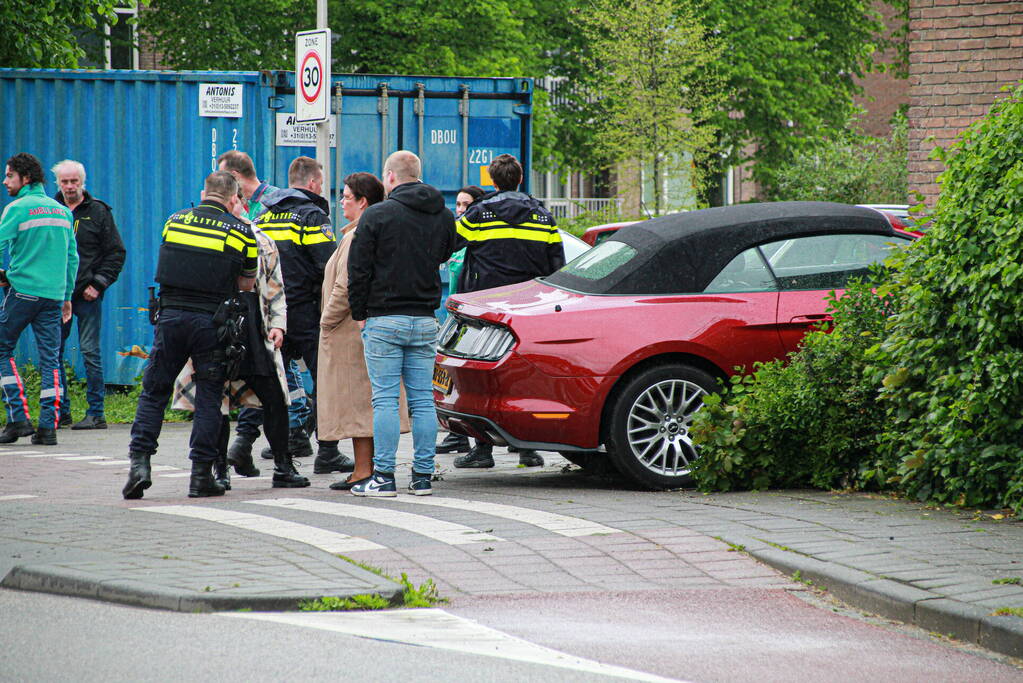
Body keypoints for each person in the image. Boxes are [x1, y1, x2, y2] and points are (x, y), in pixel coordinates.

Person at [122, 170, 257, 500]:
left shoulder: (174, 221)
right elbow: (247, 284)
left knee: (154, 391)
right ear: (232, 198)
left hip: (169, 318)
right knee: (210, 396)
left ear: (203, 192)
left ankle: (139, 465)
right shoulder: (241, 231)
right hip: (211, 323)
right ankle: (200, 476)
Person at [171, 185, 309, 490]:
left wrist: (279, 325)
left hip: (253, 326)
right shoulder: (206, 233)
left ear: (239, 201)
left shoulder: (261, 239)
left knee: (273, 396)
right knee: (214, 398)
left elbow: (275, 288)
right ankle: (219, 469)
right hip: (216, 325)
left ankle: (283, 467)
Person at [347, 151, 457, 496]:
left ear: (390, 177)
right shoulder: (443, 215)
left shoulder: (377, 215)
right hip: (425, 319)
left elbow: (358, 269)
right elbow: (444, 253)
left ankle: (383, 477)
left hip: (383, 318)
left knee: (385, 401)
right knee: (423, 400)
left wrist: (359, 313)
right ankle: (422, 476)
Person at [452, 154, 565, 469]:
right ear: (520, 178)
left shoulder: (478, 215)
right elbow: (558, 265)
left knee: (481, 376)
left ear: (492, 180)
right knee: (525, 374)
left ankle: (483, 450)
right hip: (531, 310)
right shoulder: (543, 217)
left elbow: (449, 243)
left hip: (485, 308)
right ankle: (528, 449)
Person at [217, 151, 314, 472]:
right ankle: (286, 440)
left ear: (235, 176)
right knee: (272, 378)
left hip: (278, 303)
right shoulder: (262, 203)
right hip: (263, 308)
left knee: (277, 377)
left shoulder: (268, 204)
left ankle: (273, 439)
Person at [254, 156, 351, 475]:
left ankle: (290, 439)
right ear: (311, 183)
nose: (322, 189)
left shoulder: (265, 217)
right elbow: (328, 266)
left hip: (274, 314)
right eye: (321, 183)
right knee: (325, 379)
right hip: (307, 313)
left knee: (277, 380)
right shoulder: (312, 215)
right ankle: (327, 451)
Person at [319, 172, 410, 491]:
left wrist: (326, 321)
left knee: (359, 402)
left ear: (363, 201)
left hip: (349, 331)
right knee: (367, 400)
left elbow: (344, 285)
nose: (341, 201)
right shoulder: (377, 230)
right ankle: (365, 467)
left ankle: (363, 470)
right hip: (365, 326)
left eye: (346, 196)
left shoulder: (356, 235)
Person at [0, 153, 79, 446]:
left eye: (9, 175)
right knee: (51, 359)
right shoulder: (62, 211)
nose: (5, 181)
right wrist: (67, 295)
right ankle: (48, 428)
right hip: (54, 296)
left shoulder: (17, 208)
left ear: (26, 178)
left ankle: (18, 417)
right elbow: (72, 257)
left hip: (22, 293)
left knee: (2, 348)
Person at [52, 159, 126, 431]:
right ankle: (60, 411)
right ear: (57, 183)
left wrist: (98, 284)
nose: (70, 187)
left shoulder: (98, 212)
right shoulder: (51, 210)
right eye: (65, 182)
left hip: (87, 296)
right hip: (57, 296)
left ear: (83, 182)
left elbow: (116, 253)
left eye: (75, 182)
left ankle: (96, 413)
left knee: (90, 352)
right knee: (53, 353)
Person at [435, 184, 484, 456]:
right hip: (453, 315)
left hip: (470, 318)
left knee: (463, 378)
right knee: (448, 377)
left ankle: (468, 437)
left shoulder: (473, 243)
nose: (461, 210)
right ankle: (457, 436)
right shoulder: (457, 238)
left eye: (467, 206)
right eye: (459, 205)